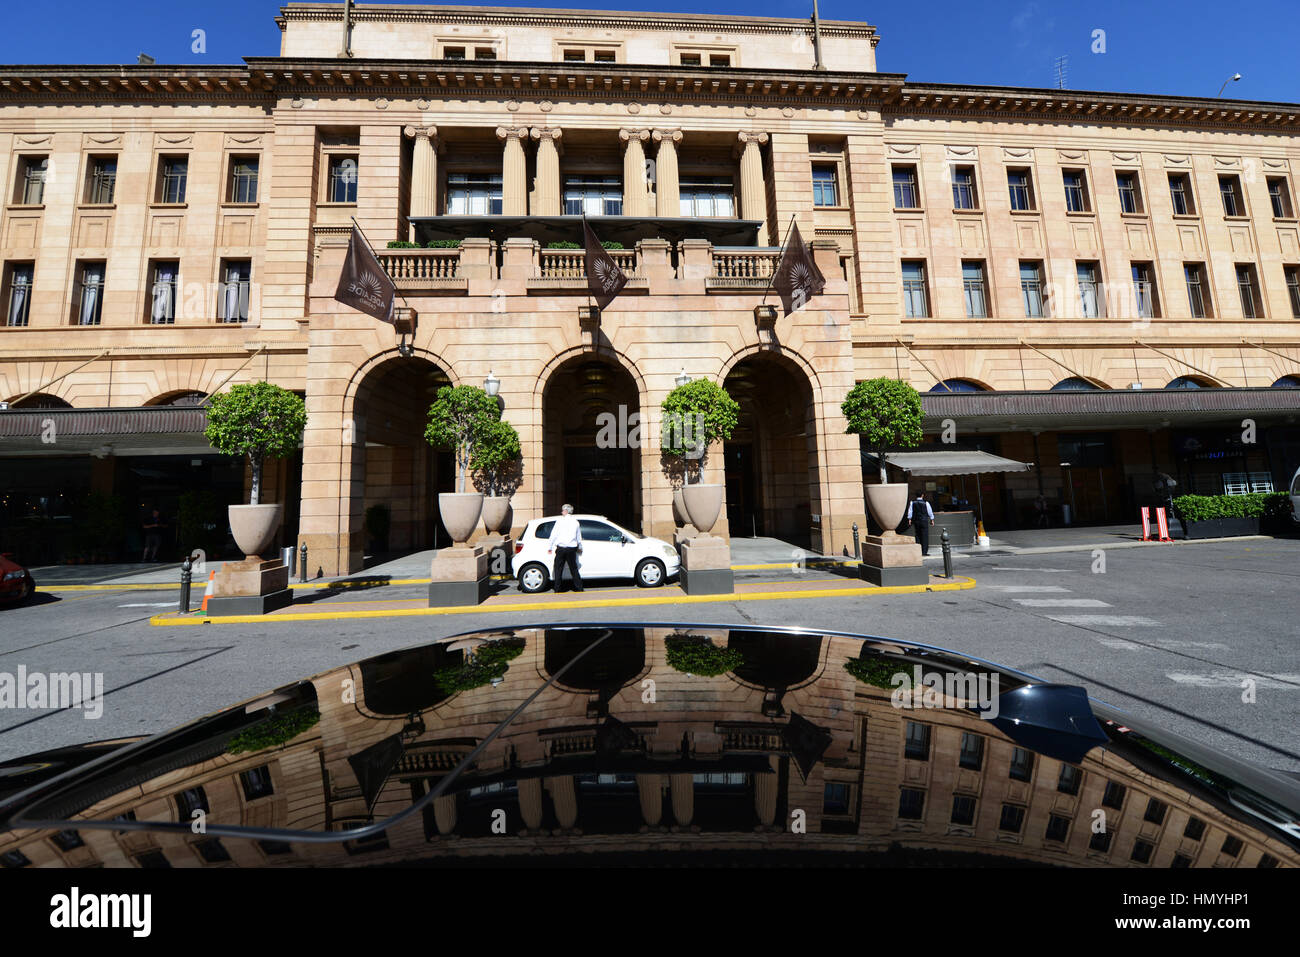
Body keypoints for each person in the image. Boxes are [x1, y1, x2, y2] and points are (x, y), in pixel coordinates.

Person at [548, 503, 583, 593]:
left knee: (558, 568)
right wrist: (580, 547)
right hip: (571, 548)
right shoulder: (576, 522)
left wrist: (550, 547)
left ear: (566, 511)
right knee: (573, 568)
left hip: (561, 548)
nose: (561, 512)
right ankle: (579, 588)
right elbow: (578, 537)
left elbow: (553, 535)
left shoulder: (559, 521)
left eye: (563, 510)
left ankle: (557, 588)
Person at [906, 492, 934, 556]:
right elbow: (930, 512)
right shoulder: (926, 503)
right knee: (925, 536)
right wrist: (932, 519)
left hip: (916, 521)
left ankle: (918, 551)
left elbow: (910, 511)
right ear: (922, 495)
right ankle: (924, 552)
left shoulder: (912, 503)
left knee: (917, 535)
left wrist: (909, 519)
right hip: (924, 521)